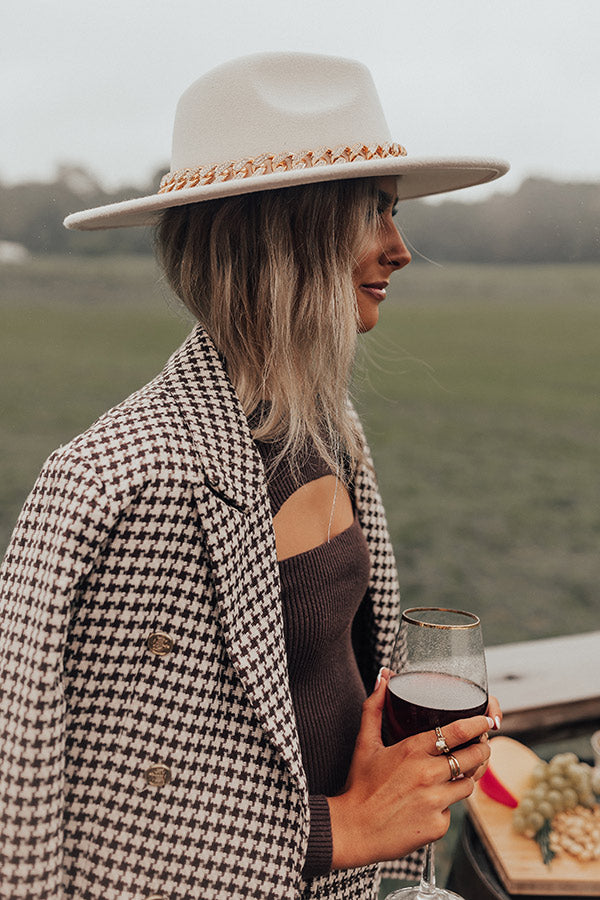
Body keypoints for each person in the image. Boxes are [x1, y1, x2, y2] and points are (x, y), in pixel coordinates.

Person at [0, 53, 507, 899]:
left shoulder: (330, 428)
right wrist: (336, 831)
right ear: (284, 236)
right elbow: (94, 811)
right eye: (373, 212)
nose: (400, 249)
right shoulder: (124, 483)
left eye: (395, 211)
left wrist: (396, 761)